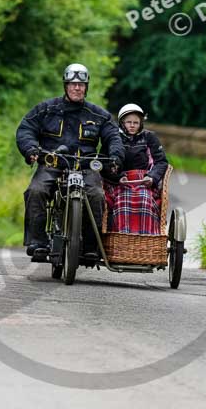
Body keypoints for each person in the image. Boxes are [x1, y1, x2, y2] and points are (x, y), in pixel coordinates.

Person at [16, 63, 124, 261]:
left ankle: (91, 247)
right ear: (65, 85)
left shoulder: (98, 115)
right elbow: (26, 129)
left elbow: (113, 136)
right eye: (73, 84)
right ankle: (38, 242)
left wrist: (115, 156)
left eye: (81, 85)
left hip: (85, 166)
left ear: (86, 87)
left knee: (97, 195)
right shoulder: (46, 109)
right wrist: (30, 149)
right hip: (52, 162)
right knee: (36, 191)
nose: (77, 88)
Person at [103, 103, 168, 234]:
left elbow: (161, 162)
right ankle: (121, 238)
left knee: (144, 200)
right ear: (122, 122)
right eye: (128, 122)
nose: (132, 125)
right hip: (119, 183)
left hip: (144, 182)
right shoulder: (114, 138)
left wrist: (152, 177)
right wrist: (118, 177)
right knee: (122, 202)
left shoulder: (150, 138)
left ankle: (145, 238)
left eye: (136, 122)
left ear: (141, 124)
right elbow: (104, 163)